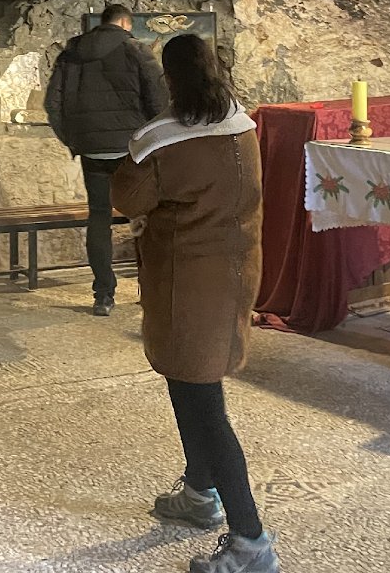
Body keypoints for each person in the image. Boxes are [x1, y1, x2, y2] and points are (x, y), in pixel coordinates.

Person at [111, 33, 277, 573]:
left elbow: (127, 197)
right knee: (191, 389)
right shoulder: (243, 125)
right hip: (234, 277)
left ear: (170, 79)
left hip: (187, 286)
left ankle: (251, 541)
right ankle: (200, 493)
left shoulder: (160, 140)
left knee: (204, 407)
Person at [45, 3, 167, 315]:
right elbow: (157, 100)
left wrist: (74, 140)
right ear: (125, 22)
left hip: (92, 150)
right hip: (131, 150)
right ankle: (154, 289)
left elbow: (53, 104)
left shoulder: (71, 54)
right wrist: (151, 142)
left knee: (98, 218)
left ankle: (103, 295)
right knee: (145, 215)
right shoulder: (137, 51)